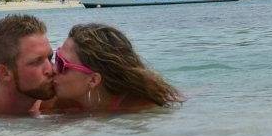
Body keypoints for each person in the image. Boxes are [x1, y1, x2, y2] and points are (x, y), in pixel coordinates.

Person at [45, 23, 182, 114]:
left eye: (62, 64)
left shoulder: (138, 108)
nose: (53, 69)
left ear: (93, 80)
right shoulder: (59, 102)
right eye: (56, 58)